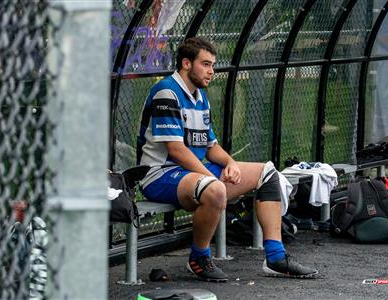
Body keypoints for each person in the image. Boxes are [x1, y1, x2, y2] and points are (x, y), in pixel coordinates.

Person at [136, 37, 318, 282]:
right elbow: (176, 150)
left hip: (193, 172)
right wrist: (211, 177)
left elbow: (211, 147)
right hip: (159, 174)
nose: (211, 71)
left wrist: (230, 163)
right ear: (186, 63)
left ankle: (275, 256)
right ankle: (199, 257)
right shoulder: (167, 92)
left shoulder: (200, 97)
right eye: (206, 64)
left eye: (213, 65)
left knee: (268, 173)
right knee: (214, 189)